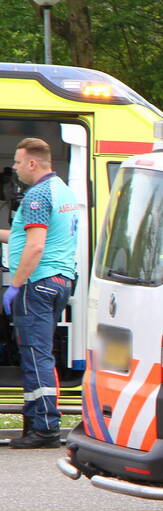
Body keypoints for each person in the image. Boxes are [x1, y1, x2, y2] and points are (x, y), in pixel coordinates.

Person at [0, 138, 78, 449]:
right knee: (40, 354)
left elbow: (35, 246)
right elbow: (24, 235)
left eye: (18, 163)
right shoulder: (62, 189)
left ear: (32, 163)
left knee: (35, 355)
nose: (15, 169)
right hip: (59, 280)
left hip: (38, 284)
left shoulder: (37, 196)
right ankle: (38, 422)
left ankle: (44, 427)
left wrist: (15, 285)